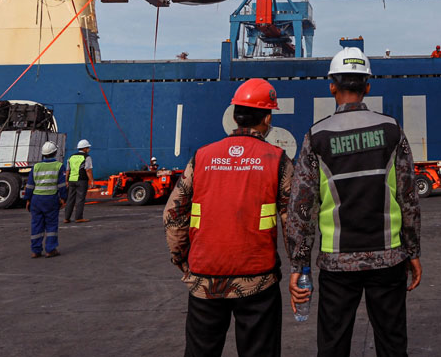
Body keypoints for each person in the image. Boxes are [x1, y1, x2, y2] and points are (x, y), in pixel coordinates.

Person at [287, 47, 421, 357]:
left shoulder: (317, 136)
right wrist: (412, 251)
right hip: (388, 258)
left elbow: (302, 208)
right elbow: (408, 198)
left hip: (337, 262)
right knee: (392, 345)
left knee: (332, 346)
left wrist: (299, 263)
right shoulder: (391, 130)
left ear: (332, 86)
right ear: (367, 87)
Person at [165, 78, 293, 357]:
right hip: (258, 279)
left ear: (234, 116)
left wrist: (182, 259)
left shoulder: (202, 156)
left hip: (205, 276)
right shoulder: (277, 159)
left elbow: (173, 213)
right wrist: (299, 268)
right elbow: (293, 222)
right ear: (267, 118)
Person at [22, 141, 67, 258]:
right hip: (51, 199)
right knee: (51, 225)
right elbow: (62, 185)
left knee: (36, 225)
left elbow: (30, 185)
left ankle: (35, 251)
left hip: (36, 200)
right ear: (55, 153)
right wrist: (63, 198)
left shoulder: (36, 167)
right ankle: (50, 250)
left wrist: (28, 199)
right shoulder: (59, 166)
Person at [64, 139, 94, 223]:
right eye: (88, 148)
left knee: (70, 199)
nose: (89, 149)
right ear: (84, 148)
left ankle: (66, 218)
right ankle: (78, 217)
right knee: (80, 199)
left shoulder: (71, 157)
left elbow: (68, 170)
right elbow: (88, 170)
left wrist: (66, 181)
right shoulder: (87, 157)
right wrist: (92, 181)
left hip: (71, 180)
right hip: (81, 180)